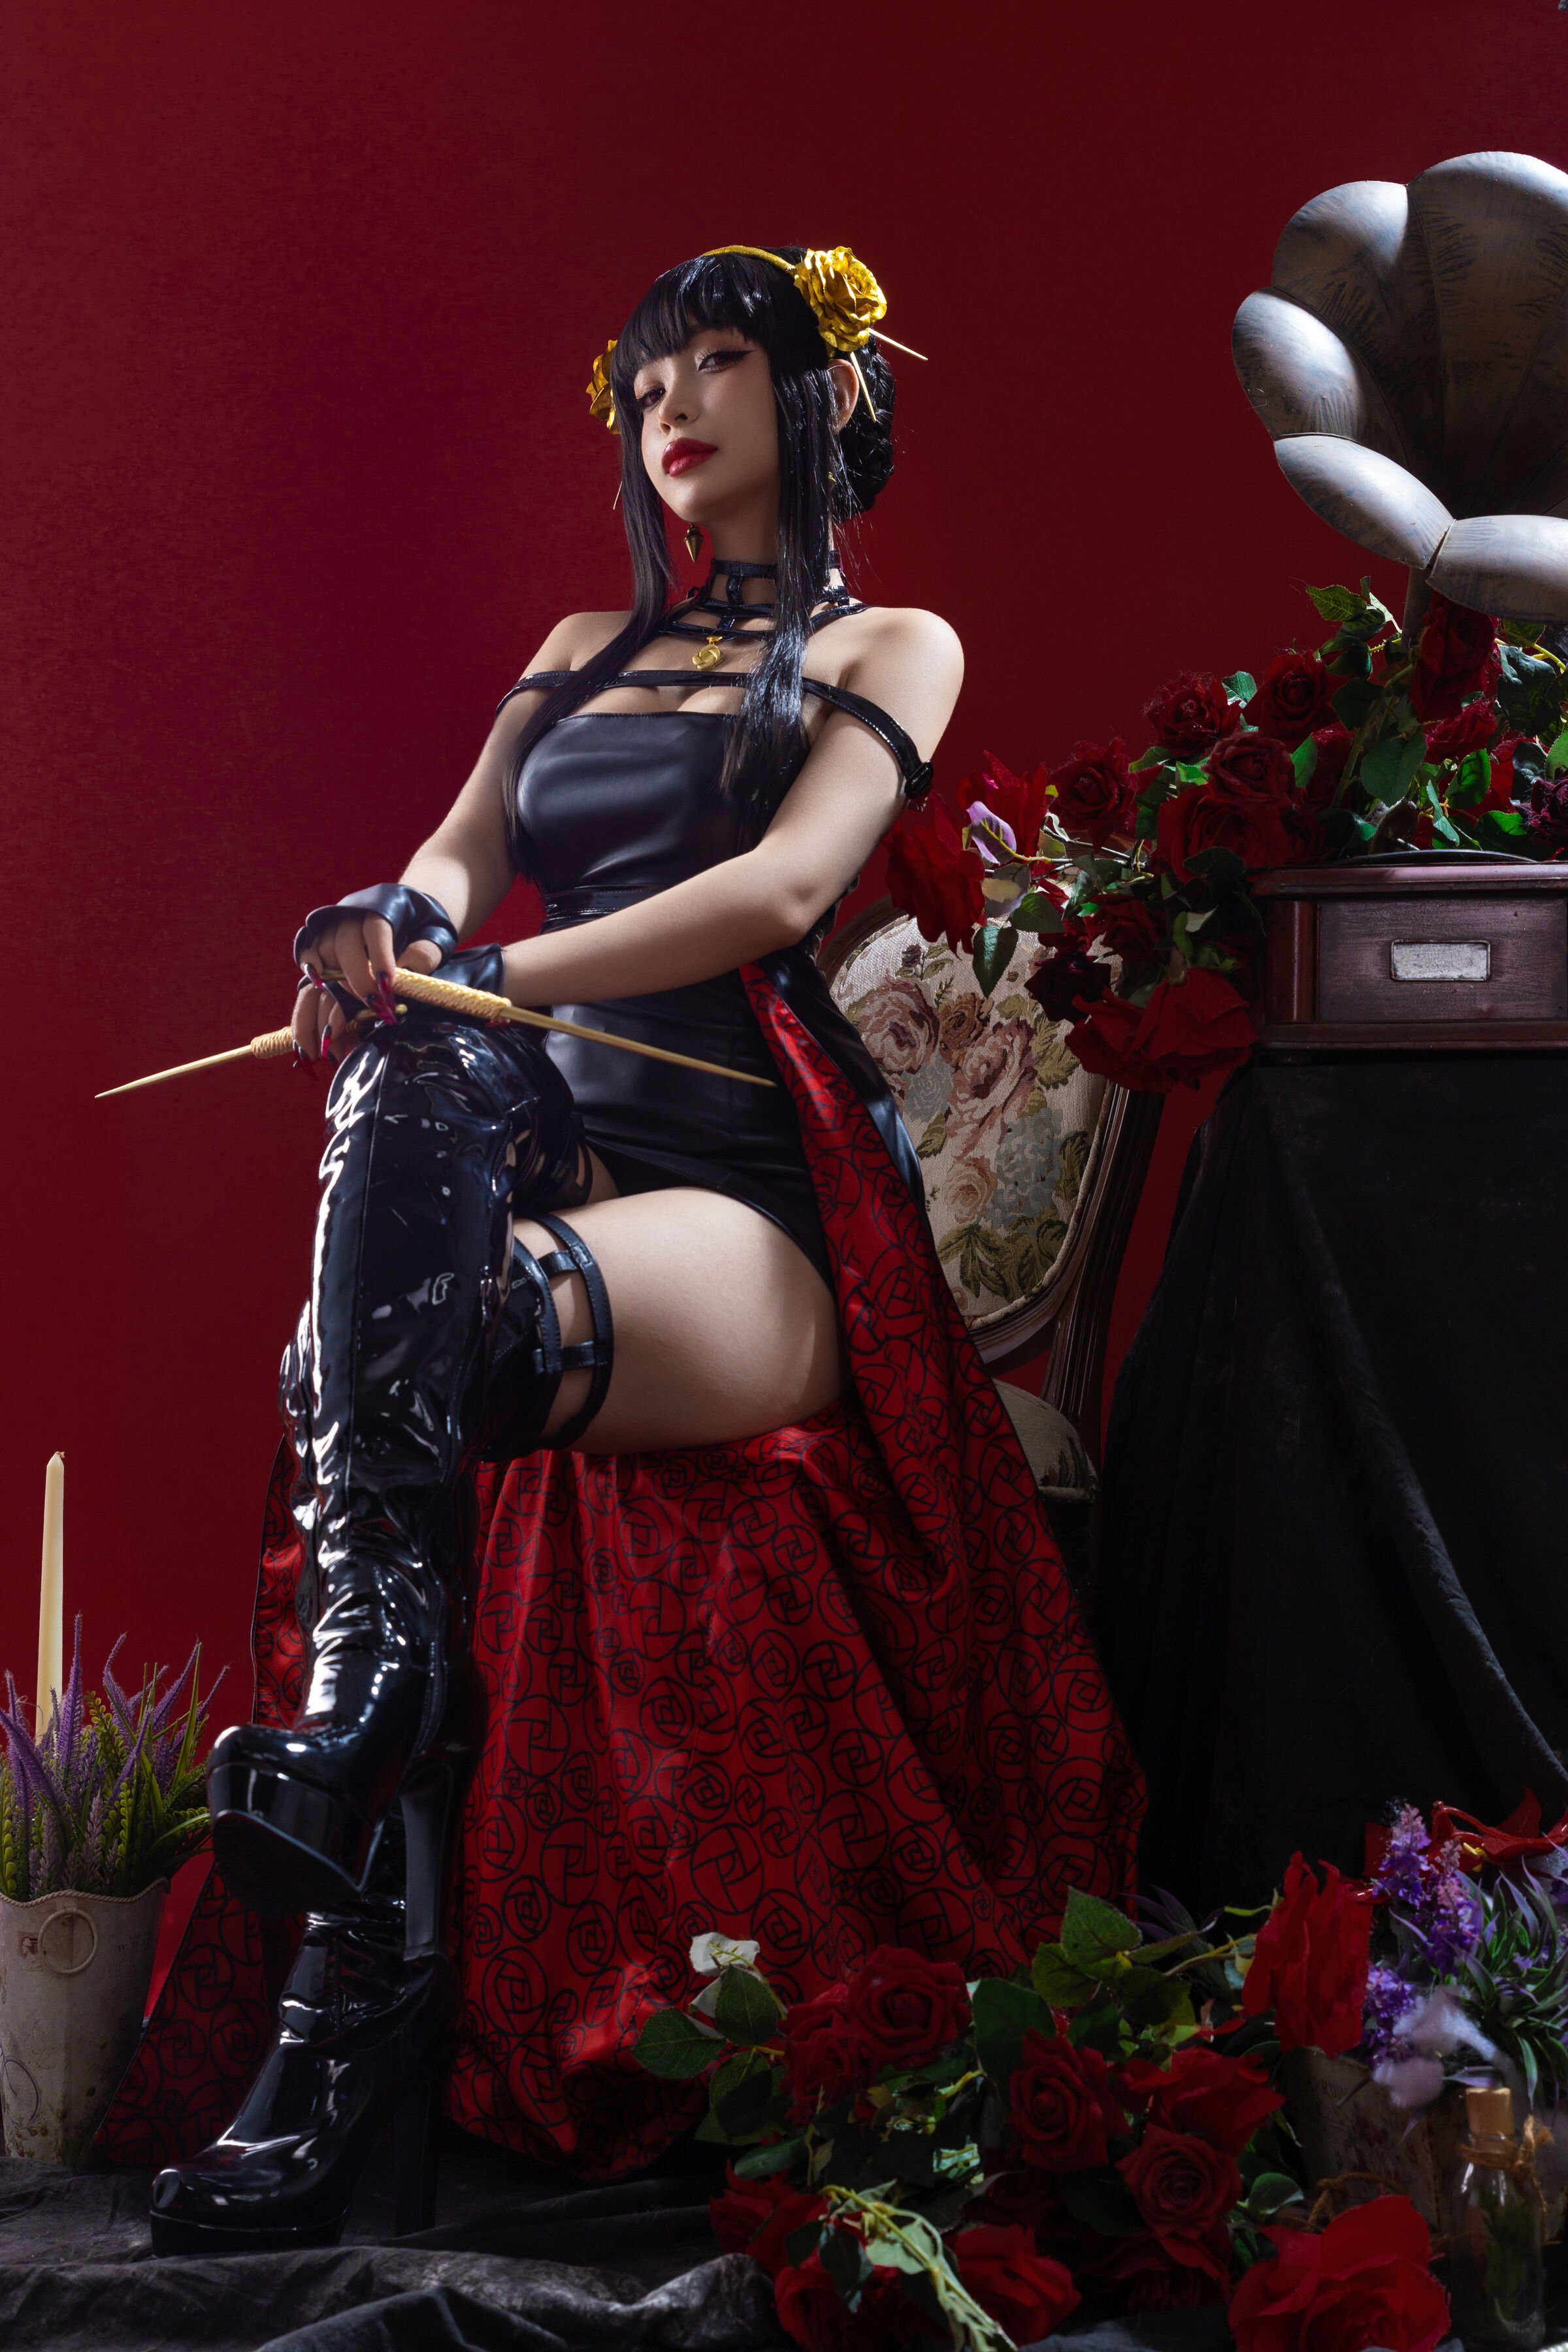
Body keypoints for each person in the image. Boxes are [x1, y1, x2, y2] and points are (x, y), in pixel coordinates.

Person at [137, 245, 1142, 2255]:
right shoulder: (582, 644)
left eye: (717, 365)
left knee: (382, 1293)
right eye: (647, 379)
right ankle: (376, 1771)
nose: (668, 406)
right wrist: (398, 926)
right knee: (400, 1159)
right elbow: (458, 852)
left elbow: (778, 888)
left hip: (756, 1208)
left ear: (822, 397)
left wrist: (486, 976)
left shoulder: (892, 646)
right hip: (549, 1165)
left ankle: (343, 2003)